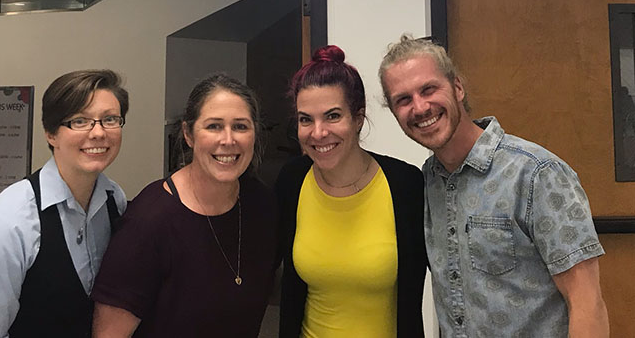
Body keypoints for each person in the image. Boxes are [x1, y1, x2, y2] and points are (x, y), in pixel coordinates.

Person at [378, 35, 609, 338]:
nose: (420, 107)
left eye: (429, 89)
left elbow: (587, 303)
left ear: (457, 88)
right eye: (403, 99)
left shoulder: (536, 174)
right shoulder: (427, 181)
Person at [91, 74, 278, 337]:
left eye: (240, 126)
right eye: (213, 126)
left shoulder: (263, 206)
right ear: (188, 134)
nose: (228, 139)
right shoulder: (149, 221)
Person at [0, 70, 129, 338]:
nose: (98, 133)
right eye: (80, 121)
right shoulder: (6, 222)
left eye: (110, 120)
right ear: (51, 133)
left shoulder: (113, 200)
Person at [276, 45, 426, 338]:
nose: (318, 133)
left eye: (332, 116)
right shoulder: (292, 181)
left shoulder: (405, 185)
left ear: (358, 118)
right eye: (306, 119)